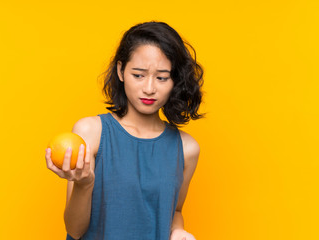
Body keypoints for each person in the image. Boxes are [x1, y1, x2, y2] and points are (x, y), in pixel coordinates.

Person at [45, 21, 206, 240]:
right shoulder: (91, 132)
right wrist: (84, 184)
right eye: (138, 75)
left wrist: (177, 230)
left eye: (161, 78)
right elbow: (74, 230)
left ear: (175, 80)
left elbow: (174, 211)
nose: (149, 88)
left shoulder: (186, 148)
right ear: (121, 71)